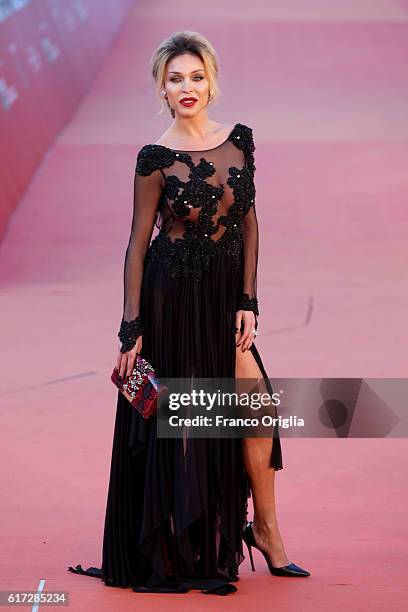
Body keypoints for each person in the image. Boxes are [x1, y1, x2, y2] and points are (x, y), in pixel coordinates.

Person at [68, 30, 309, 596]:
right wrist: (132, 327)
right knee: (185, 420)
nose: (187, 87)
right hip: (171, 297)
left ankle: (266, 532)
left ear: (212, 80)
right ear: (161, 86)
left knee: (254, 406)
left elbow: (248, 222)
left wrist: (248, 300)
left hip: (224, 298)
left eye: (196, 76)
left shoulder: (240, 141)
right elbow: (136, 243)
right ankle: (181, 542)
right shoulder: (154, 158)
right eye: (175, 78)